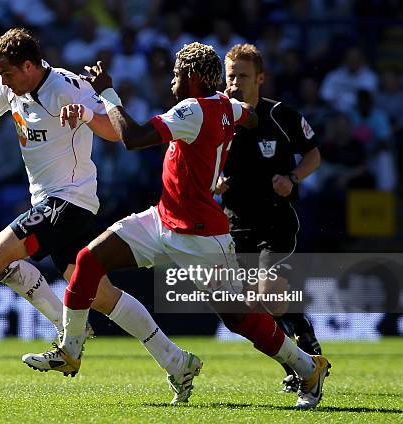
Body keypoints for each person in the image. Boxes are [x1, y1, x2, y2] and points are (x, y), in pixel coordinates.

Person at [24, 42, 330, 409]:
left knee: (239, 319)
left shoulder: (194, 109)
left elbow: (134, 139)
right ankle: (71, 350)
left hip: (201, 234)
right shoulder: (225, 106)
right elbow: (250, 116)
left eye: (177, 73)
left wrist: (106, 91)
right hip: (162, 218)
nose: (172, 80)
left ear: (194, 78)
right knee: (88, 260)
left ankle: (308, 366)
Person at [0, 28, 198, 403]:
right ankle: (177, 361)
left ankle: (68, 339)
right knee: (102, 296)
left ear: (29, 66)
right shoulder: (9, 85)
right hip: (50, 202)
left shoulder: (68, 85)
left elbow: (116, 131)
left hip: (70, 200)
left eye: (8, 74)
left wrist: (83, 113)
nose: (2, 81)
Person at [217, 43, 323, 393]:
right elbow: (203, 164)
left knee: (267, 294)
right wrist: (214, 181)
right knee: (252, 311)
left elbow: (313, 155)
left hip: (276, 222)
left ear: (260, 78)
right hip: (235, 226)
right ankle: (303, 357)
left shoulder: (281, 115)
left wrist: (291, 178)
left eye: (243, 76)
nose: (235, 83)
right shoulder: (217, 118)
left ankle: (305, 355)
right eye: (231, 76)